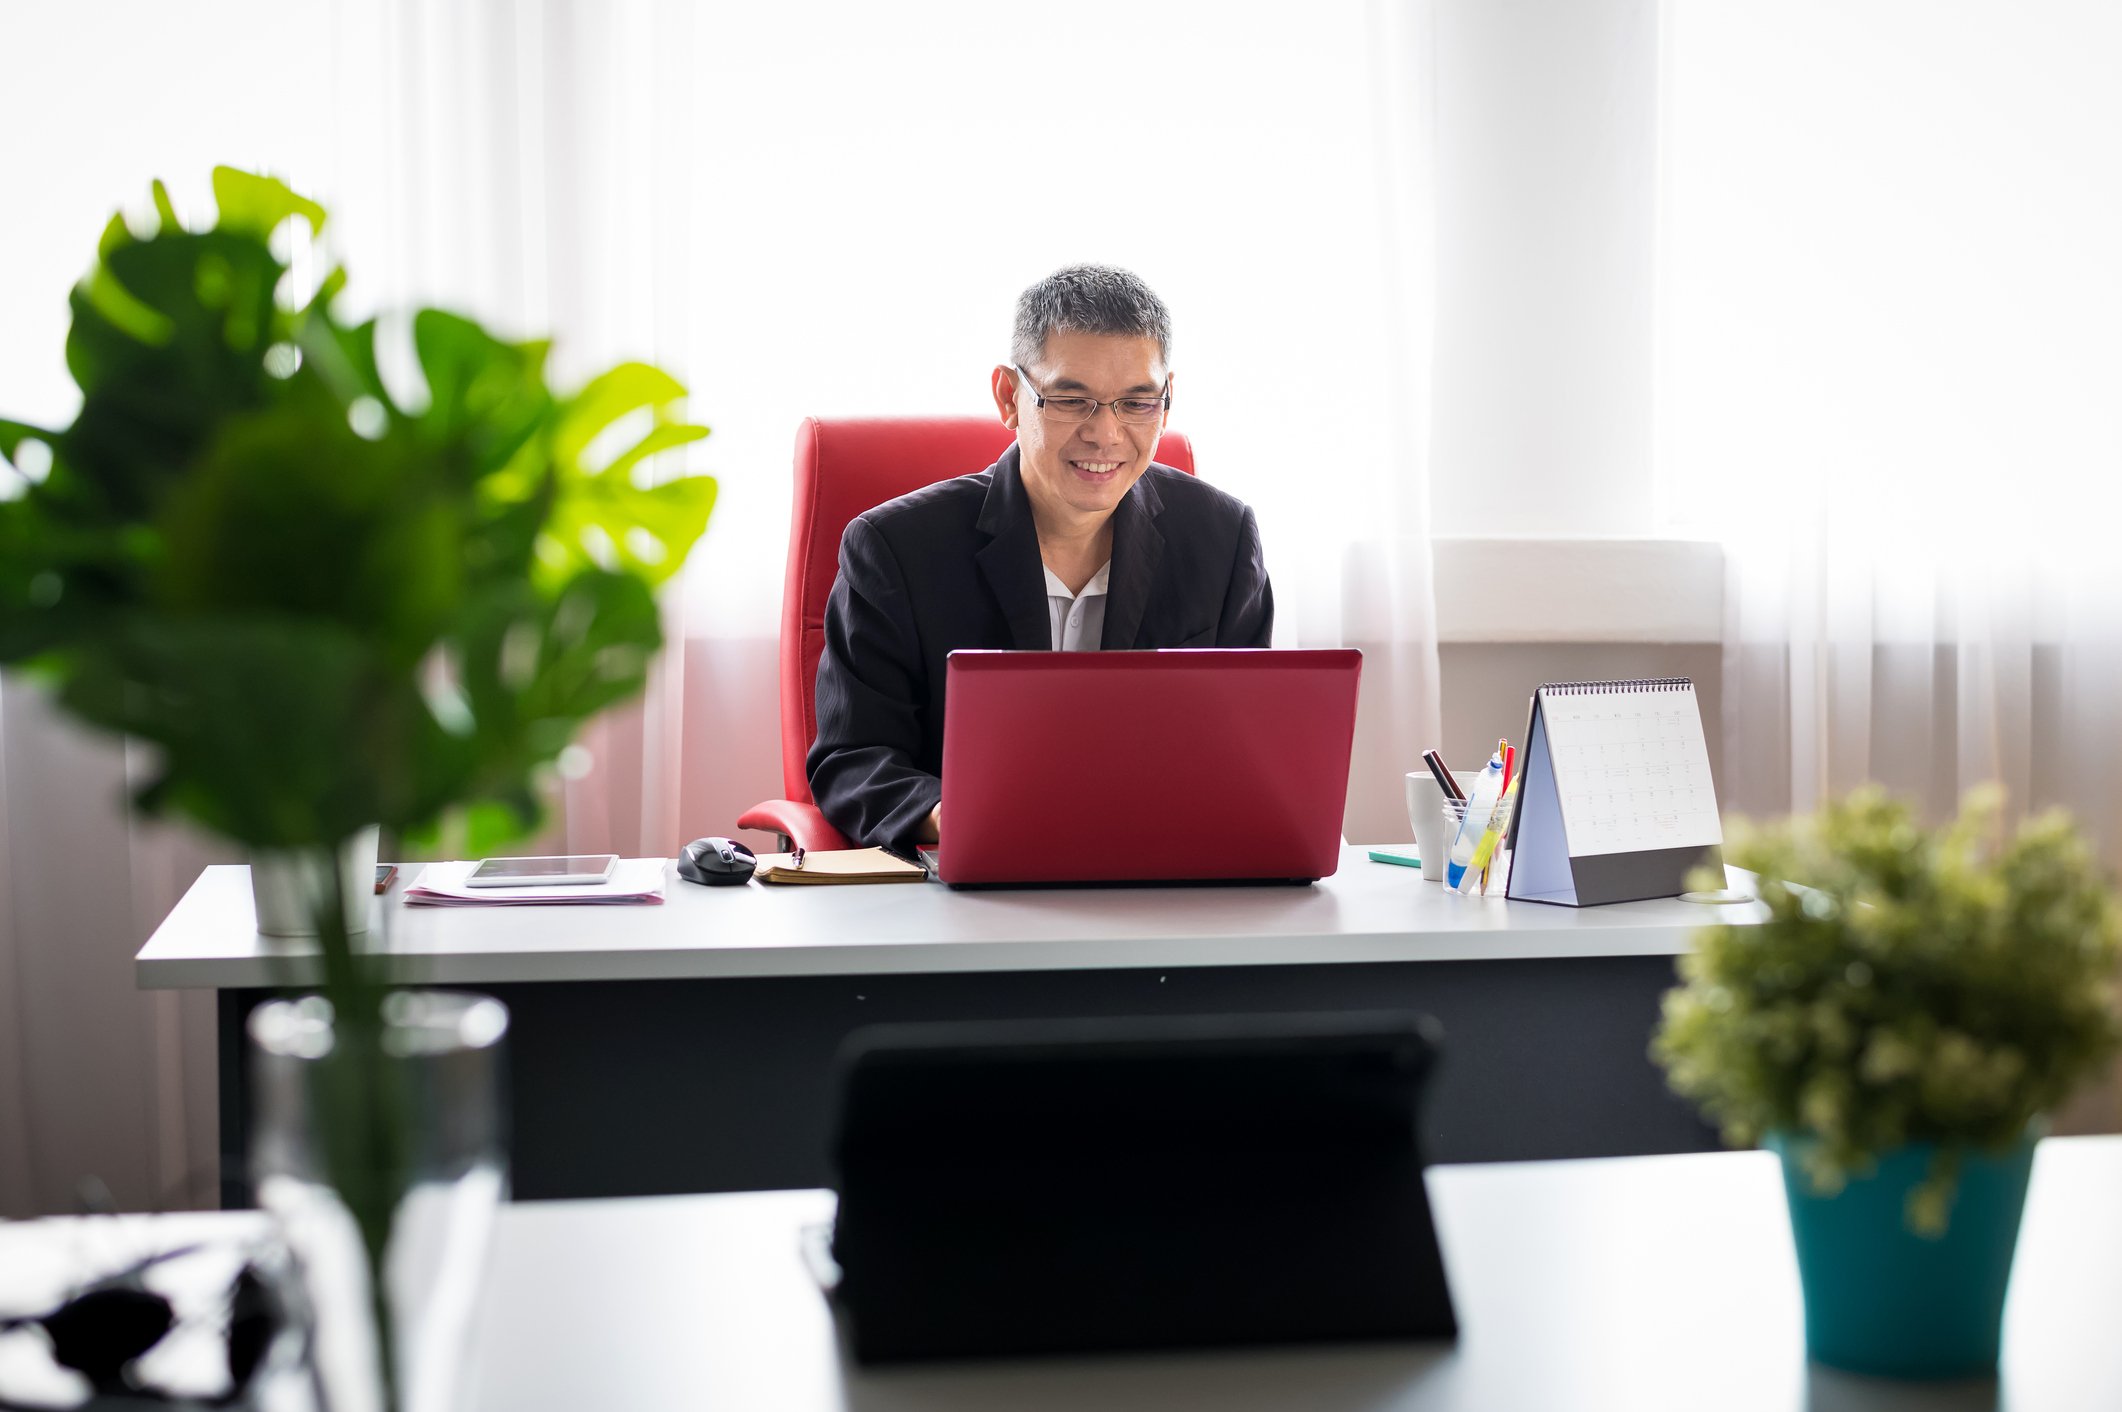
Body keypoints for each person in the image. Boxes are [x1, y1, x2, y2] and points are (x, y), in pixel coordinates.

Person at [808, 264, 1274, 855]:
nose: (1106, 435)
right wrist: (954, 817)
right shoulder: (896, 548)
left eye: (1136, 402)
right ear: (1010, 396)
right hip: (972, 884)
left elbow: (1247, 751)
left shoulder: (1221, 539)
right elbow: (852, 759)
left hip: (1158, 874)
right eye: (1072, 400)